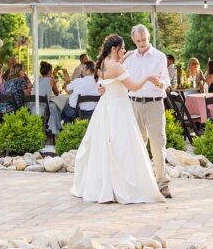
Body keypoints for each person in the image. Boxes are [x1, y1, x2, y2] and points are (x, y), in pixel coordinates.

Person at [71, 34, 165, 204]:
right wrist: (148, 78)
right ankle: (123, 186)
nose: (124, 50)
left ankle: (106, 185)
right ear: (114, 49)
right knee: (122, 149)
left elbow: (107, 79)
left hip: (106, 107)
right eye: (122, 48)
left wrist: (127, 56)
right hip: (119, 109)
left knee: (105, 148)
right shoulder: (117, 68)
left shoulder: (102, 64)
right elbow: (134, 87)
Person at [123, 25, 171, 199]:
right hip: (134, 104)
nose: (141, 43)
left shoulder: (159, 57)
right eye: (138, 41)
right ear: (134, 40)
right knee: (137, 145)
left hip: (153, 104)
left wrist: (159, 83)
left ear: (148, 37)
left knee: (157, 145)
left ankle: (162, 184)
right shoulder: (129, 58)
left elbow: (166, 81)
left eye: (144, 40)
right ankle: (139, 183)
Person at [30, 61, 62, 136]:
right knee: (56, 108)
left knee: (53, 107)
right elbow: (57, 93)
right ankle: (56, 129)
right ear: (50, 71)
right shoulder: (51, 80)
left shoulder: (36, 80)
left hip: (33, 107)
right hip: (43, 109)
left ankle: (50, 129)